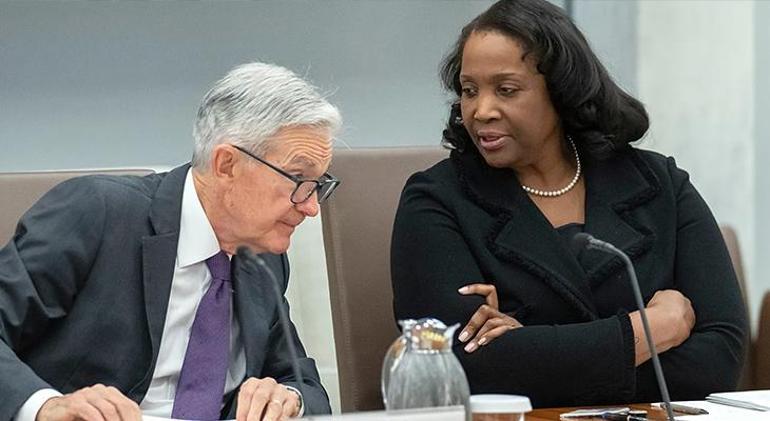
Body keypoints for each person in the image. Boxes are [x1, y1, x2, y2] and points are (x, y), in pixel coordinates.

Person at [390, 0, 747, 408]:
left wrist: (534, 352)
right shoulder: (436, 200)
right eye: (469, 91)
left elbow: (721, 357)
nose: (481, 110)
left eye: (506, 90)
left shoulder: (659, 183)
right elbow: (461, 368)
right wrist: (651, 329)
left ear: (561, 92)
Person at [0, 62, 341, 421]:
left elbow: (306, 385)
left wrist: (288, 398)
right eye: (298, 178)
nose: (311, 207)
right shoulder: (97, 213)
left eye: (319, 185)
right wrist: (46, 406)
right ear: (227, 164)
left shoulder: (263, 258)